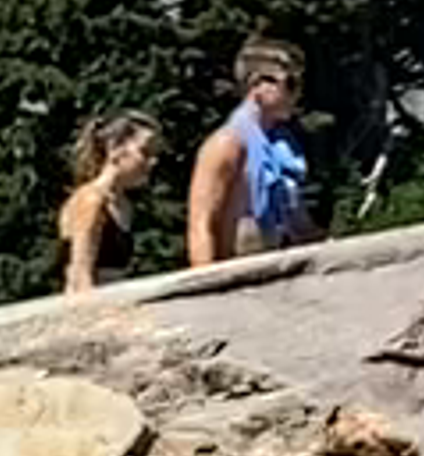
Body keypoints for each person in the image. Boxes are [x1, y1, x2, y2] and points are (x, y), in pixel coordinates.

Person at [187, 35, 313, 269]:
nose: (297, 94)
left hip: (278, 264)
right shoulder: (226, 144)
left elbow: (298, 220)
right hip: (237, 268)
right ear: (256, 84)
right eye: (291, 84)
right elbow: (201, 224)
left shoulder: (282, 149)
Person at [54, 109, 161, 301]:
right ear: (115, 149)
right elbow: (80, 275)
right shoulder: (91, 200)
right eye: (145, 151)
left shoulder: (123, 204)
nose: (153, 161)